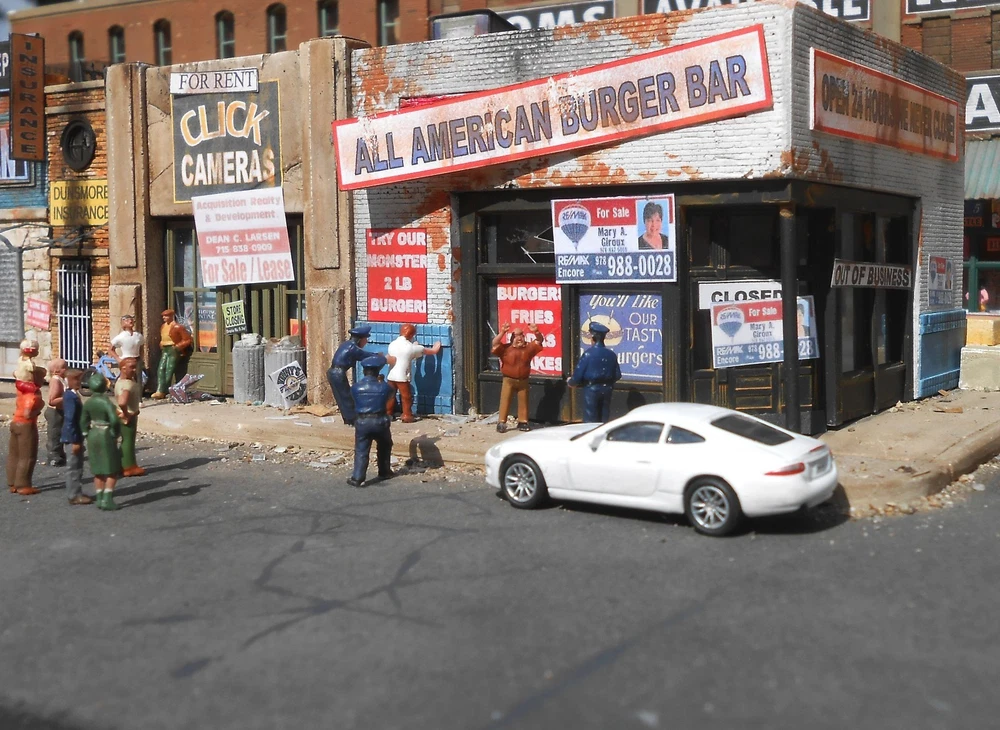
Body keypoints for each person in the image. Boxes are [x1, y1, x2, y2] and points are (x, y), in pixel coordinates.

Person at [327, 325, 392, 426]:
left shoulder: (347, 344)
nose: (366, 342)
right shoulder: (352, 347)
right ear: (360, 339)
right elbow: (364, 355)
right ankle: (352, 419)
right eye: (365, 339)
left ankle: (348, 418)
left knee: (341, 397)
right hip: (338, 373)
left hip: (334, 372)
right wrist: (381, 358)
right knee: (346, 396)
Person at [348, 354, 395, 488]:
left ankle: (358, 477)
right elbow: (391, 395)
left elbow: (353, 400)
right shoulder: (384, 387)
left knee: (361, 450)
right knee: (385, 446)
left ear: (364, 371)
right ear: (378, 371)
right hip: (380, 421)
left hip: (363, 422)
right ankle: (384, 471)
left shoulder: (356, 387)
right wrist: (381, 382)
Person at [80, 371, 123, 511]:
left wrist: (86, 432)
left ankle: (99, 497)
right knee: (111, 469)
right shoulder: (106, 402)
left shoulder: (88, 403)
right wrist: (115, 432)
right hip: (105, 433)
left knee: (97, 469)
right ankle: (107, 498)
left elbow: (83, 420)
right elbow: (114, 419)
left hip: (93, 433)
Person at [491, 322, 544, 433]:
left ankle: (523, 421)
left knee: (523, 401)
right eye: (516, 336)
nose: (519, 338)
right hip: (508, 380)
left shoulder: (528, 348)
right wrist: (502, 332)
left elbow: (539, 341)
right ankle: (502, 422)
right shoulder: (505, 349)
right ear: (511, 338)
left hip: (523, 380)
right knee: (505, 400)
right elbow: (495, 343)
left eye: (521, 336)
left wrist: (536, 332)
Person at [567, 321, 622, 423]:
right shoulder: (611, 355)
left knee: (590, 418)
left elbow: (578, 375)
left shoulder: (588, 354)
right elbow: (617, 375)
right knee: (604, 418)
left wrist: (571, 382)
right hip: (607, 389)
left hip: (591, 389)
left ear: (592, 338)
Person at [386, 324, 441, 423]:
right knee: (406, 396)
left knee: (390, 395)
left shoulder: (392, 344)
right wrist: (436, 347)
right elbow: (431, 351)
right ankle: (407, 415)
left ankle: (388, 413)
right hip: (402, 376)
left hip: (391, 375)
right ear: (411, 335)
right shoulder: (411, 348)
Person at [7, 366, 46, 496]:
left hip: (15, 422)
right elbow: (28, 414)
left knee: (14, 454)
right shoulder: (33, 395)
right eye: (41, 377)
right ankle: (23, 485)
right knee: (27, 456)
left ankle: (12, 482)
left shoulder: (21, 390)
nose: (44, 380)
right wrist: (39, 409)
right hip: (26, 425)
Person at [61, 369, 94, 506]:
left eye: (79, 379)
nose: (78, 382)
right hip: (72, 437)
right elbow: (70, 420)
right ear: (67, 380)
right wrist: (74, 440)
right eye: (75, 379)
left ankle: (76, 492)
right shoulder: (70, 397)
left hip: (76, 435)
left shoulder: (73, 395)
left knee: (78, 466)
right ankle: (74, 495)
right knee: (74, 467)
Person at [152, 309, 194, 399]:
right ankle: (160, 390)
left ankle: (164, 390)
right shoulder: (163, 326)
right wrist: (161, 343)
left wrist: (177, 347)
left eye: (166, 316)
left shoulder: (177, 327)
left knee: (169, 369)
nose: (164, 318)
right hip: (165, 349)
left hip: (173, 349)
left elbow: (187, 339)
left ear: (171, 316)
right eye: (163, 316)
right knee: (161, 368)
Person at [115, 357, 146, 477]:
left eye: (135, 367)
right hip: (129, 416)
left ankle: (120, 464)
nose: (134, 370)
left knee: (125, 440)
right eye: (131, 367)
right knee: (128, 441)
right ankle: (129, 467)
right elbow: (122, 402)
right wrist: (126, 413)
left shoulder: (120, 381)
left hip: (121, 414)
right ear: (123, 369)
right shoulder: (127, 385)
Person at [44, 358, 68, 467]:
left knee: (60, 433)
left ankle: (60, 453)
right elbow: (52, 400)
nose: (66, 369)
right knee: (54, 434)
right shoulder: (55, 381)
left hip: (61, 410)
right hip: (55, 412)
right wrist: (67, 397)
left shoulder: (62, 379)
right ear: (56, 370)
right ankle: (53, 456)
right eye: (64, 367)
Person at [110, 314, 145, 378]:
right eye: (127, 320)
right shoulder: (121, 336)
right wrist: (119, 359)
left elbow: (141, 346)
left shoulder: (138, 335)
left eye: (131, 319)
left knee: (138, 378)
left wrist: (141, 358)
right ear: (123, 323)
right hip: (126, 361)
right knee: (127, 377)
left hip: (137, 360)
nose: (130, 321)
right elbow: (111, 349)